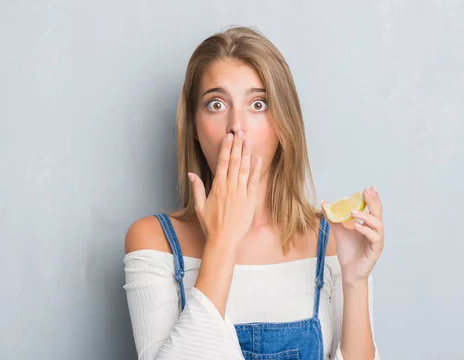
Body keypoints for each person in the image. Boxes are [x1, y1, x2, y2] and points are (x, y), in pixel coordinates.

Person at [123, 26, 383, 360]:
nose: (237, 125)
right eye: (216, 104)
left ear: (283, 124)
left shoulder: (332, 238)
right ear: (194, 128)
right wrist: (222, 242)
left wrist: (355, 281)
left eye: (258, 104)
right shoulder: (153, 241)